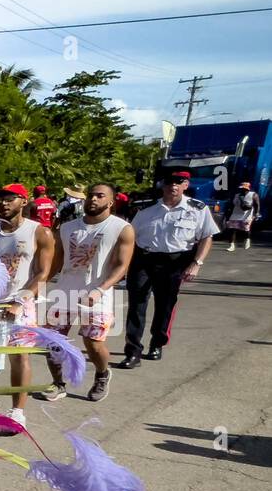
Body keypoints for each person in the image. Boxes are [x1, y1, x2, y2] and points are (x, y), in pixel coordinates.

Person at [0, 184, 53, 429]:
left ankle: (17, 411)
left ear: (23, 201)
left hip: (20, 302)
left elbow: (42, 273)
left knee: (19, 357)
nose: (4, 203)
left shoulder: (39, 232)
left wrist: (19, 300)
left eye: (10, 199)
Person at [41, 182, 133, 401]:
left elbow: (122, 265)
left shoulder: (121, 228)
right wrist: (40, 284)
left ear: (110, 201)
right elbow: (57, 261)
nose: (93, 199)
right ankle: (57, 384)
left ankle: (102, 374)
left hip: (97, 295)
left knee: (92, 343)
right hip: (64, 293)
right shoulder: (66, 227)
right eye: (91, 195)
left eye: (100, 196)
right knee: (53, 341)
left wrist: (100, 290)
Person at [117, 171, 215, 369]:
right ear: (163, 185)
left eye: (179, 182)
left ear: (186, 185)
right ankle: (133, 351)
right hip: (144, 259)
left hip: (175, 262)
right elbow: (129, 236)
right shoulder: (146, 208)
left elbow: (207, 236)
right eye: (170, 182)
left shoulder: (198, 209)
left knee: (165, 305)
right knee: (137, 305)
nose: (174, 186)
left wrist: (196, 263)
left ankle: (157, 344)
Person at [225, 181, 260, 251]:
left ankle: (247, 240)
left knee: (246, 230)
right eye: (241, 189)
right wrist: (228, 214)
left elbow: (256, 205)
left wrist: (256, 213)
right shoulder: (236, 195)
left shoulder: (253, 195)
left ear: (248, 189)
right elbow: (232, 205)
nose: (242, 190)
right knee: (232, 229)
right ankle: (231, 245)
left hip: (247, 215)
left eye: (244, 189)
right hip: (235, 214)